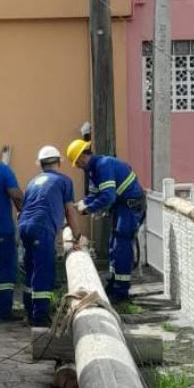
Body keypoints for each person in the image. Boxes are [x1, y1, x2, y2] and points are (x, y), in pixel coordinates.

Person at [67, 140, 145, 303]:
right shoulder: (94, 171)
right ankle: (114, 282)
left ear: (82, 156)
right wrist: (82, 204)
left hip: (130, 207)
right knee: (113, 244)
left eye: (77, 162)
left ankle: (122, 291)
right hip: (121, 206)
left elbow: (107, 196)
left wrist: (89, 209)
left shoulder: (103, 165)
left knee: (121, 245)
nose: (78, 166)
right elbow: (95, 195)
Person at [17, 146, 77, 327]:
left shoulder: (32, 182)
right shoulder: (64, 181)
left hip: (24, 226)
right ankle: (40, 316)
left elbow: (24, 208)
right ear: (59, 162)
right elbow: (70, 211)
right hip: (41, 228)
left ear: (40, 165)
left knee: (30, 269)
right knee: (44, 271)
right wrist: (77, 236)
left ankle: (29, 311)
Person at [0, 136, 22, 321]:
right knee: (5, 272)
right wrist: (23, 210)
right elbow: (15, 194)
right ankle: (2, 313)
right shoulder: (2, 171)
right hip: (2, 229)